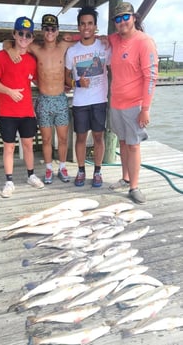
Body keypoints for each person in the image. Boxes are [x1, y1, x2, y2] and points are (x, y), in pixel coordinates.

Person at [4, 14, 75, 184]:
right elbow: (8, 42)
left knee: (64, 138)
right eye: (46, 28)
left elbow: (85, 38)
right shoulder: (35, 48)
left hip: (60, 99)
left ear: (57, 31)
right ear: (42, 31)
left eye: (53, 29)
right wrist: (9, 49)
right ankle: (49, 168)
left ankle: (62, 166)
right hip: (43, 100)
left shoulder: (64, 45)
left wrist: (99, 38)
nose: (50, 32)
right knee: (46, 139)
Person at [108, 2, 158, 204]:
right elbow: (100, 39)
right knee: (122, 141)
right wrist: (73, 37)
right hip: (116, 103)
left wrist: (145, 109)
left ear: (134, 18)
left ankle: (134, 186)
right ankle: (125, 178)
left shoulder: (145, 42)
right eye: (117, 19)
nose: (122, 22)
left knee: (134, 145)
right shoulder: (114, 39)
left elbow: (151, 77)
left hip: (135, 105)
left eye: (125, 17)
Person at [0, 16, 44, 198]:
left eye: (28, 35)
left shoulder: (32, 60)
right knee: (9, 147)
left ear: (32, 38)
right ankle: (9, 181)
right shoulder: (1, 56)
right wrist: (9, 91)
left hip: (27, 111)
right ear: (14, 34)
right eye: (20, 33)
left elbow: (36, 79)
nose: (24, 37)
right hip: (8, 112)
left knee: (28, 145)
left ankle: (31, 175)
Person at [65, 6, 111, 187]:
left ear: (95, 26)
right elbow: (66, 77)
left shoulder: (105, 46)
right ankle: (81, 170)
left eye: (90, 23)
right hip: (80, 102)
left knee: (99, 137)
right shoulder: (72, 51)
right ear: (78, 27)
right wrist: (77, 83)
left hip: (100, 101)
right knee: (81, 138)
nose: (86, 27)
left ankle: (98, 171)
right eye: (83, 24)